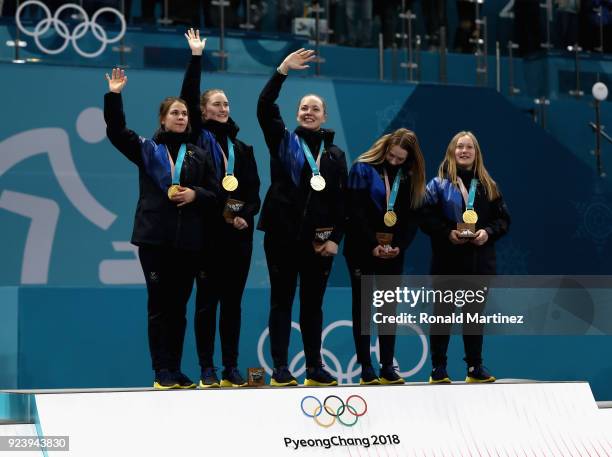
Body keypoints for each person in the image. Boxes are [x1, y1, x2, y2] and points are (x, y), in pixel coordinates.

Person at [104, 67, 220, 390]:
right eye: (175, 113)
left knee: (180, 309)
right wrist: (114, 95)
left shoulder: (198, 154)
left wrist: (196, 194)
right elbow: (116, 132)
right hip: (155, 241)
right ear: (163, 119)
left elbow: (215, 195)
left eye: (184, 113)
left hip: (188, 244)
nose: (181, 117)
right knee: (159, 306)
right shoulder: (148, 150)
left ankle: (175, 369)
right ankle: (161, 371)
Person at [257, 49, 348, 387]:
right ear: (297, 114)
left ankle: (314, 367)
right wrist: (281, 70)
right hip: (281, 237)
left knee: (313, 306)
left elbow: (341, 203)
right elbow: (264, 108)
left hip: (318, 243)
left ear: (324, 117)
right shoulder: (283, 142)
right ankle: (281, 368)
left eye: (315, 109)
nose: (309, 112)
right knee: (281, 301)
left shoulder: (335, 155)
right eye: (304, 108)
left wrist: (335, 239)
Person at [180, 29, 261, 388]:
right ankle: (206, 367)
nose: (224, 109)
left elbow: (255, 193)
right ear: (203, 110)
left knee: (233, 306)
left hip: (239, 238)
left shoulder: (243, 149)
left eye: (227, 104)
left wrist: (246, 215)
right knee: (206, 304)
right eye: (216, 104)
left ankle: (230, 367)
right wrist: (196, 57)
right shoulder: (198, 137)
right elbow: (186, 96)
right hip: (209, 236)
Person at [422, 131, 510, 384]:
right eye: (459, 146)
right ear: (452, 151)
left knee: (473, 317)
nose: (464, 151)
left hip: (478, 263)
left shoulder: (488, 184)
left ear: (476, 152)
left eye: (469, 147)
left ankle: (474, 367)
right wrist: (446, 233)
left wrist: (488, 232)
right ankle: (438, 369)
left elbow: (503, 220)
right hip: (447, 262)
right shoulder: (437, 184)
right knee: (443, 315)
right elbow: (424, 218)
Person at [344, 128, 426, 385]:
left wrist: (399, 245)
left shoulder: (411, 176)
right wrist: (371, 244)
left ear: (409, 159)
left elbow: (413, 218)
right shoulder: (362, 168)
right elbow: (354, 211)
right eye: (391, 155)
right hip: (362, 248)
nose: (394, 161)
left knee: (388, 309)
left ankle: (388, 365)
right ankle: (366, 367)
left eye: (400, 159)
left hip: (392, 251)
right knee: (363, 306)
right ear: (385, 148)